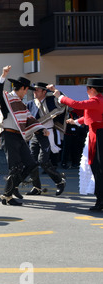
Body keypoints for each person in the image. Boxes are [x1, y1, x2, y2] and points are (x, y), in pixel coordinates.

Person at [0, 66, 48, 206]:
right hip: (8, 135)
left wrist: (41, 128)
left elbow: (30, 119)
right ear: (23, 88)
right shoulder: (7, 97)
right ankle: (8, 196)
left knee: (31, 164)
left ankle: (10, 190)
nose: (26, 93)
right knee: (16, 167)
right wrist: (3, 75)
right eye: (26, 90)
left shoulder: (21, 104)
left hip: (19, 137)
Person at [48, 78, 103, 211]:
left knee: (98, 169)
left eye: (87, 89)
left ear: (92, 89)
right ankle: (100, 199)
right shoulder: (99, 101)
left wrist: (59, 95)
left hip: (99, 135)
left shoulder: (96, 100)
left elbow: (76, 104)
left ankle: (101, 201)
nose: (87, 91)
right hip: (96, 134)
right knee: (97, 168)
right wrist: (76, 121)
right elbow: (91, 116)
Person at [25, 82, 66, 196]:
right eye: (34, 90)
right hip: (35, 134)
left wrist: (54, 90)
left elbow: (64, 102)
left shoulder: (51, 100)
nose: (34, 92)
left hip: (47, 133)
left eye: (37, 90)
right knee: (32, 162)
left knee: (43, 161)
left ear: (44, 91)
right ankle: (36, 187)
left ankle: (60, 181)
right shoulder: (30, 104)